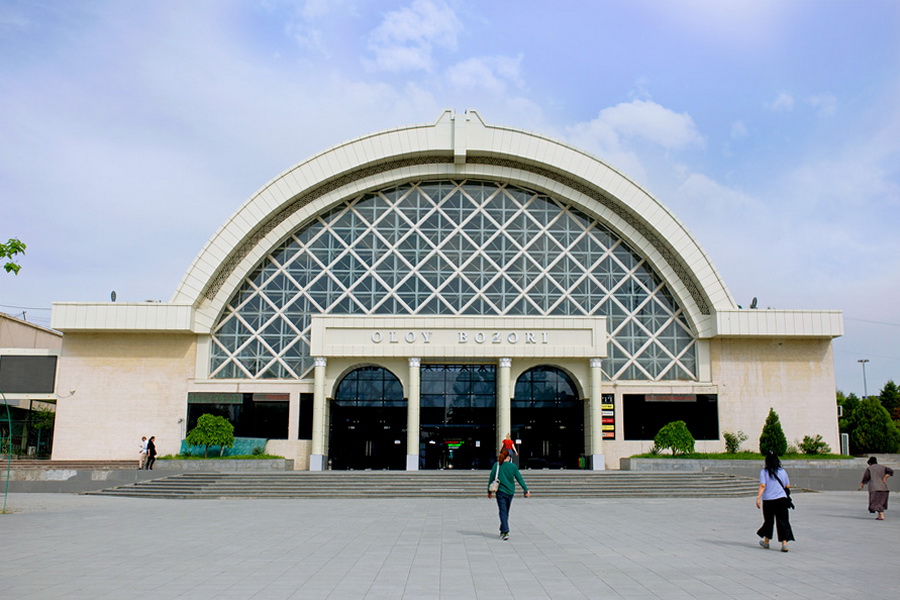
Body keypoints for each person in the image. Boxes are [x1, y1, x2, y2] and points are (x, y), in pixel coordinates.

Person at [487, 448, 530, 540]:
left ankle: (504, 530)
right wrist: (526, 489)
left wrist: (489, 491)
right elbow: (519, 478)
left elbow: (491, 478)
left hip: (500, 492)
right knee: (506, 511)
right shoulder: (513, 466)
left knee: (503, 511)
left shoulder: (497, 465)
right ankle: (505, 530)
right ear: (508, 457)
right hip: (510, 492)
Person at [756, 452, 794, 552]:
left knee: (769, 521)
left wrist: (758, 498)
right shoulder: (782, 471)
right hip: (781, 499)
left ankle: (766, 542)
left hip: (768, 500)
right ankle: (784, 543)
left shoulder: (764, 472)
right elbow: (787, 486)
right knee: (783, 520)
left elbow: (762, 485)